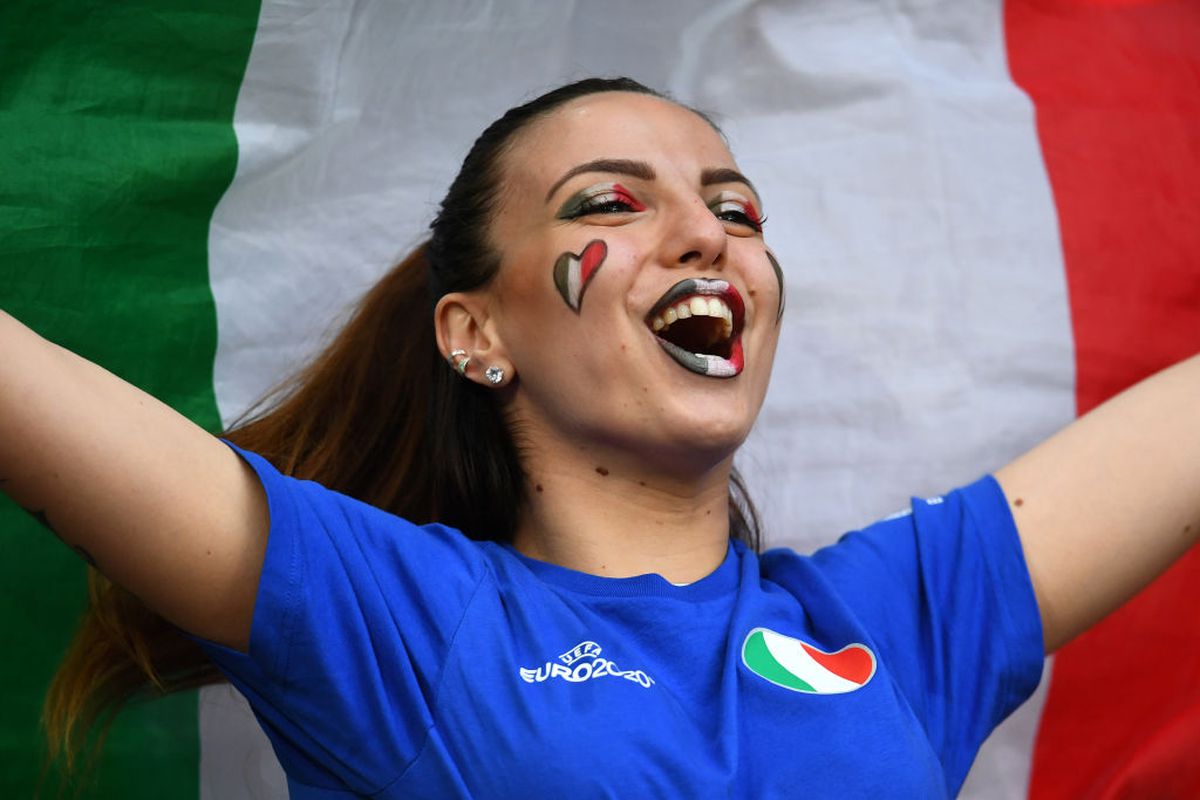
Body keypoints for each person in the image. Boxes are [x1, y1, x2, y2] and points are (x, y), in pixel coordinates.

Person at [3, 76, 1197, 798]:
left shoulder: (894, 621)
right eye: (610, 204)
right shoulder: (396, 614)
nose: (706, 235)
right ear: (475, 333)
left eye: (735, 209)